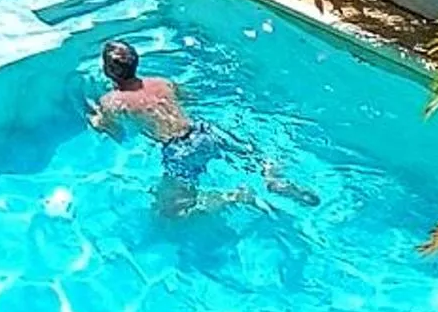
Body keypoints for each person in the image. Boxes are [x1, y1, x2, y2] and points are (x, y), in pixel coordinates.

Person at [88, 39, 316, 214]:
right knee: (253, 156)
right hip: (205, 130)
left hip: (179, 150)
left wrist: (97, 122)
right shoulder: (162, 82)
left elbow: (117, 134)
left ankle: (235, 197)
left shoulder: (112, 101)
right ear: (136, 62)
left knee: (171, 210)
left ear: (108, 71)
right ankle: (272, 177)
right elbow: (190, 97)